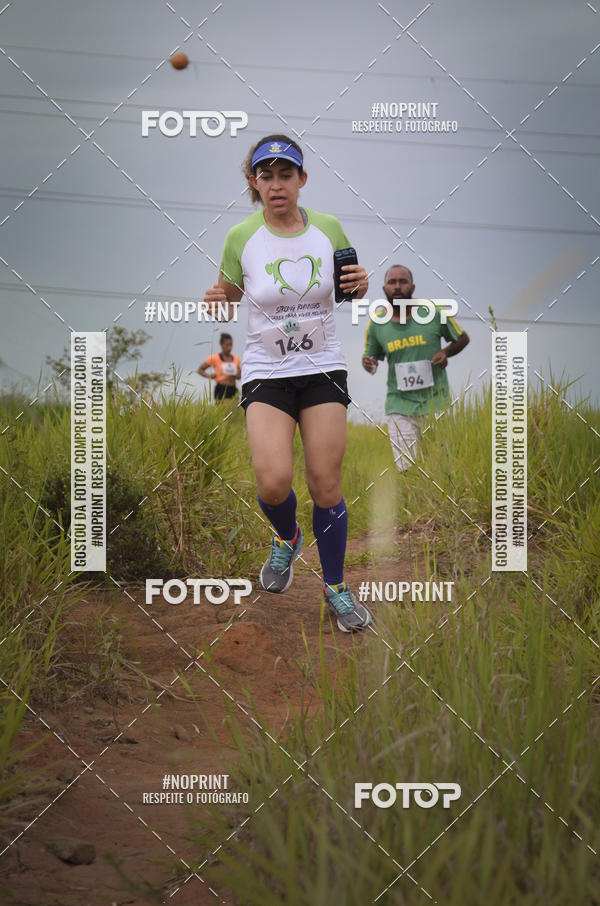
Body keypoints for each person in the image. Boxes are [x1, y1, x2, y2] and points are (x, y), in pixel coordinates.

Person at [203, 134, 372, 632]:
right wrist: (218, 297)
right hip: (267, 372)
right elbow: (229, 292)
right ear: (254, 183)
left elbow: (348, 290)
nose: (277, 185)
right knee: (273, 482)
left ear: (301, 180)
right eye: (266, 176)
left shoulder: (329, 229)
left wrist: (361, 285)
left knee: (326, 484)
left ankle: (336, 587)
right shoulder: (240, 237)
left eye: (286, 175)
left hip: (322, 368)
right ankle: (287, 538)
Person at [362, 265, 469, 471]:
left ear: (412, 286)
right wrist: (369, 364)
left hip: (437, 402)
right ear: (384, 289)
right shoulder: (376, 324)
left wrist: (445, 352)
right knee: (407, 468)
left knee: (442, 467)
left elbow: (462, 338)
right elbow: (371, 360)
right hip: (399, 406)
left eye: (403, 281)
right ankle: (413, 501)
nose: (398, 287)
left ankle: (439, 503)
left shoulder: (434, 313)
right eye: (392, 282)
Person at [197, 332, 241, 401]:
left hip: (233, 388)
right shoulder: (215, 358)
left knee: (234, 410)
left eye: (231, 345)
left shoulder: (236, 358)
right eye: (227, 345)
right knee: (223, 410)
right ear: (221, 344)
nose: (230, 347)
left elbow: (239, 377)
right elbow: (200, 370)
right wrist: (209, 376)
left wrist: (238, 374)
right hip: (221, 388)